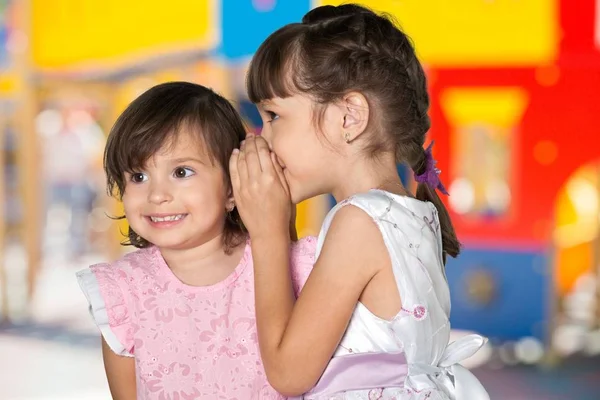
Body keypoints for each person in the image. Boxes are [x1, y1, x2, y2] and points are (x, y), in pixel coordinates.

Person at [230, 4, 490, 399]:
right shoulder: (411, 213)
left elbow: (287, 372)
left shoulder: (359, 222)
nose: (261, 138)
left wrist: (267, 232)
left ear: (349, 117)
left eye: (273, 116)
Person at [76, 82, 315, 400]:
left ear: (232, 187)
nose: (157, 195)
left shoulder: (287, 264)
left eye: (182, 172)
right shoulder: (122, 293)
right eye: (138, 176)